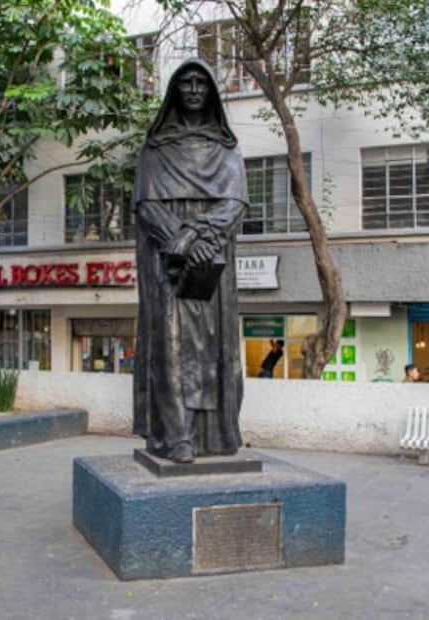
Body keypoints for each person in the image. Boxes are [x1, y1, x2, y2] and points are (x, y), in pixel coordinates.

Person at [132, 59, 247, 464]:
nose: (195, 89)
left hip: (212, 262)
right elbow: (146, 205)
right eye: (186, 83)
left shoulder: (225, 149)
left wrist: (201, 237)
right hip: (169, 262)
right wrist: (180, 242)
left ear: (211, 91)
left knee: (216, 346)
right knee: (171, 342)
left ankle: (216, 435)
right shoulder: (155, 147)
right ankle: (175, 434)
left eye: (202, 83)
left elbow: (234, 204)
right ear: (175, 92)